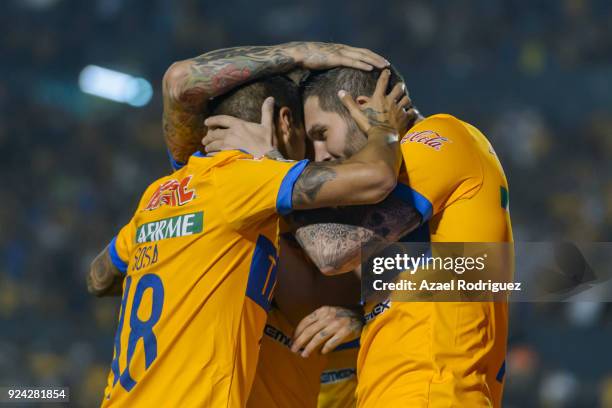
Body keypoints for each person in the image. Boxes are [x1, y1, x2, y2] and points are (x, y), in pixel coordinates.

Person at [87, 54, 406, 406]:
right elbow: (178, 83)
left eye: (322, 133)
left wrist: (366, 316)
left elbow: (473, 273)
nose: (316, 155)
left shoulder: (422, 159)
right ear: (285, 123)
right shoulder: (246, 189)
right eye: (312, 135)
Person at [207, 66, 513, 407]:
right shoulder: (408, 190)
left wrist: (272, 168)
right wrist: (358, 317)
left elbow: (331, 254)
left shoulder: (439, 136)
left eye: (321, 133)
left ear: (364, 107)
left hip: (430, 392)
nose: (319, 155)